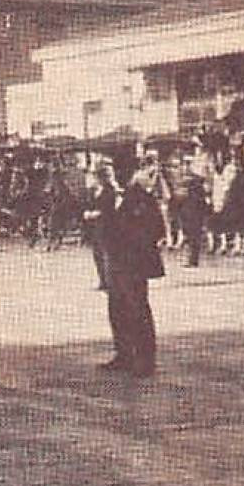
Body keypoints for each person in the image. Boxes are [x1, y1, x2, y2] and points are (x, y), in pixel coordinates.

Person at [98, 155, 166, 378]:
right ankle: (124, 354)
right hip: (115, 260)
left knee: (137, 308)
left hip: (133, 262)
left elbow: (155, 228)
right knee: (117, 308)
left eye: (120, 174)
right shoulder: (112, 197)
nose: (116, 178)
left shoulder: (141, 198)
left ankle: (145, 360)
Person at [83, 162, 116, 290]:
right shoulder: (93, 191)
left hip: (107, 224)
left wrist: (95, 213)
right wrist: (87, 212)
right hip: (95, 225)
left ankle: (109, 281)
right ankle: (102, 280)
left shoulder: (110, 190)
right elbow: (88, 204)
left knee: (106, 253)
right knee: (97, 253)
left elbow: (109, 208)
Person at [177, 175, 209, 268]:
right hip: (195, 218)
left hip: (190, 217)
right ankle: (193, 260)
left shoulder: (189, 196)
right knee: (194, 239)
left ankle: (189, 259)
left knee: (190, 238)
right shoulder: (200, 197)